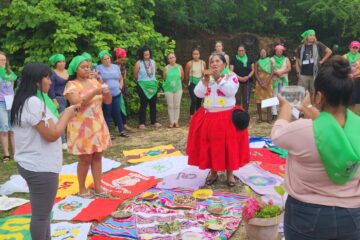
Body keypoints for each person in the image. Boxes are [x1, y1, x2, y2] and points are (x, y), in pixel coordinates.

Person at [271, 56, 360, 240]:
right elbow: (331, 128)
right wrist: (309, 108)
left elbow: (277, 135)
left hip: (307, 215)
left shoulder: (303, 129)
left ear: (319, 96)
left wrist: (286, 107)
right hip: (353, 216)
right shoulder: (357, 127)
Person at [10, 62, 79, 240]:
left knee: (43, 213)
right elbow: (52, 134)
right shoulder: (33, 102)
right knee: (41, 216)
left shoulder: (27, 99)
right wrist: (66, 114)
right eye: (46, 77)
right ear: (36, 81)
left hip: (34, 163)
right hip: (39, 166)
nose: (50, 81)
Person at [186, 53, 250, 187]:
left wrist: (219, 79)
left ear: (224, 64)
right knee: (212, 145)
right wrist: (204, 82)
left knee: (228, 146)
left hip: (227, 116)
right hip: (210, 116)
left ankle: (230, 174)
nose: (214, 64)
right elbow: (198, 93)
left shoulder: (231, 76)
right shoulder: (207, 78)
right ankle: (213, 172)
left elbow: (230, 91)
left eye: (217, 61)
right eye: (212, 62)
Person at [64, 55, 112, 197]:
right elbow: (77, 102)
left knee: (98, 155)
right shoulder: (71, 85)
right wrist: (94, 92)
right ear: (75, 68)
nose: (86, 69)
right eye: (83, 67)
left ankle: (98, 187)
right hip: (81, 127)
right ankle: (82, 188)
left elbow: (108, 101)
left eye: (88, 67)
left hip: (97, 124)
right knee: (85, 158)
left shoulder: (95, 82)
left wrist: (106, 91)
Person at [96, 50, 128, 138]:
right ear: (101, 60)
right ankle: (107, 133)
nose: (107, 60)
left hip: (117, 93)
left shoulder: (115, 67)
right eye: (104, 59)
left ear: (110, 58)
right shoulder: (99, 68)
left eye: (108, 58)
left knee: (118, 111)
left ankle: (121, 130)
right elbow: (99, 81)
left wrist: (120, 87)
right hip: (106, 95)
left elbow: (121, 78)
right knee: (107, 113)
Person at [296, 29, 332, 95]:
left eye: (313, 35)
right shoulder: (300, 47)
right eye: (310, 35)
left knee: (315, 93)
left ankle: (313, 105)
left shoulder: (318, 44)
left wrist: (322, 61)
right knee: (301, 93)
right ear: (306, 36)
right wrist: (298, 71)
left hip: (315, 74)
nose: (312, 37)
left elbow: (329, 51)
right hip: (303, 74)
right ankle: (303, 105)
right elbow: (298, 60)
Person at [133, 45, 161, 129]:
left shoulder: (153, 62)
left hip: (152, 85)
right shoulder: (138, 63)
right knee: (143, 104)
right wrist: (142, 81)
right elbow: (135, 75)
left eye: (148, 54)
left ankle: (154, 121)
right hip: (142, 85)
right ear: (142, 55)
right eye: (145, 55)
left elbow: (154, 74)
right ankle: (142, 122)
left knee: (153, 103)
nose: (147, 56)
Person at [48, 53, 69, 149]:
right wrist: (54, 100)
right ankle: (62, 141)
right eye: (59, 62)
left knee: (70, 119)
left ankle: (70, 138)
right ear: (56, 63)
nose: (62, 63)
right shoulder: (53, 73)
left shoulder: (68, 72)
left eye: (63, 61)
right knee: (62, 120)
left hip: (69, 98)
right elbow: (50, 88)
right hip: (58, 98)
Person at [0, 51, 16, 162]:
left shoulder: (10, 73)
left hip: (11, 102)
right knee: (4, 128)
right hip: (1, 103)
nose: (2, 61)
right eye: (0, 60)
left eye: (4, 59)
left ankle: (16, 153)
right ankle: (6, 154)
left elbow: (12, 88)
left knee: (13, 129)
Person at [162, 53, 184, 128]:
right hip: (168, 89)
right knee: (170, 105)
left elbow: (182, 77)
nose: (172, 59)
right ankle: (171, 122)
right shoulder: (166, 68)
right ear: (168, 60)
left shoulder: (179, 67)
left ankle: (176, 121)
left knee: (177, 105)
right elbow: (164, 78)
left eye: (173, 57)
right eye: (170, 58)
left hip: (178, 88)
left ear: (175, 58)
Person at [230, 45, 255, 111]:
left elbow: (253, 69)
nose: (241, 52)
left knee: (246, 99)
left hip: (248, 82)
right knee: (237, 99)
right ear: (237, 51)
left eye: (242, 50)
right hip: (237, 82)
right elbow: (231, 71)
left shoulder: (250, 58)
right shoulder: (234, 59)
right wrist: (239, 78)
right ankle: (237, 114)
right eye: (239, 50)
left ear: (245, 51)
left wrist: (248, 76)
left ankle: (245, 113)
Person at [271, 45, 291, 119]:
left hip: (284, 79)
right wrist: (277, 73)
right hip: (275, 79)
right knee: (274, 95)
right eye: (277, 51)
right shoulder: (271, 59)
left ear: (283, 52)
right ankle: (274, 112)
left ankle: (283, 111)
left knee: (284, 96)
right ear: (275, 51)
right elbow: (270, 69)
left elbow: (289, 68)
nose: (279, 52)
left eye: (280, 51)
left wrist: (281, 73)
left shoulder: (286, 59)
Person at [185, 48, 206, 116]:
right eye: (194, 54)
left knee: (199, 100)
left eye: (197, 54)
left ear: (199, 55)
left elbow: (204, 73)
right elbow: (186, 74)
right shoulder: (189, 63)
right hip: (192, 83)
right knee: (194, 100)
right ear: (192, 55)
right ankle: (192, 116)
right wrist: (187, 83)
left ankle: (198, 115)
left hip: (200, 83)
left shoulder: (203, 63)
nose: (196, 55)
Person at [254, 49, 273, 123]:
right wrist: (260, 82)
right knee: (259, 101)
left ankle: (269, 118)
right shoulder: (257, 62)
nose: (262, 54)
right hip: (259, 84)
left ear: (266, 53)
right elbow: (255, 73)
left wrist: (267, 82)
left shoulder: (270, 61)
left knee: (269, 100)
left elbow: (272, 72)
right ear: (259, 54)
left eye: (264, 52)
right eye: (261, 53)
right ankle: (260, 118)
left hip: (268, 83)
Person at [114, 48, 130, 130]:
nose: (123, 61)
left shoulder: (123, 65)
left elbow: (124, 78)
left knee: (123, 105)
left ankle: (124, 123)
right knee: (116, 107)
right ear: (118, 58)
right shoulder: (113, 66)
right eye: (122, 59)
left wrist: (122, 86)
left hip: (122, 87)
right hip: (115, 88)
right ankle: (117, 124)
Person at [343, 41, 360, 108]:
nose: (354, 49)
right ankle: (347, 104)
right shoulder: (345, 56)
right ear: (350, 48)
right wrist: (348, 74)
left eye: (356, 48)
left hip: (357, 77)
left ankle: (356, 104)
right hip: (347, 76)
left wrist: (355, 74)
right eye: (353, 47)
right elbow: (342, 67)